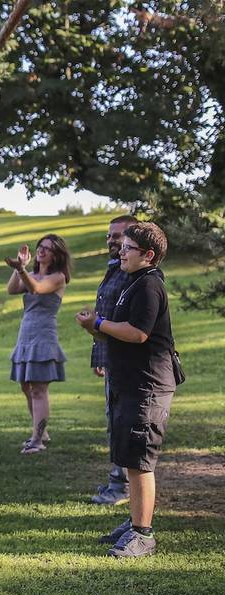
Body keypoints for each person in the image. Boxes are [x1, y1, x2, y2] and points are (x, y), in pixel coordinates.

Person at [76, 222, 178, 558]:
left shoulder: (149, 286)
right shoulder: (131, 283)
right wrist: (96, 328)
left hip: (147, 386)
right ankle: (135, 521)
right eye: (121, 245)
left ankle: (143, 535)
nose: (121, 250)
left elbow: (137, 333)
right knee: (130, 458)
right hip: (129, 383)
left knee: (140, 460)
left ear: (148, 255)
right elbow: (117, 332)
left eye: (128, 247)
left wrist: (100, 324)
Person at [5, 234, 71, 454]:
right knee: (26, 386)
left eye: (48, 249)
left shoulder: (59, 277)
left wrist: (22, 271)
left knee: (38, 390)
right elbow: (12, 289)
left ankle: (37, 440)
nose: (42, 251)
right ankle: (40, 432)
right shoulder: (30, 274)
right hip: (26, 334)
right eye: (40, 247)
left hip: (43, 335)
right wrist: (20, 267)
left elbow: (37, 289)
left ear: (57, 255)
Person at [89, 215, 138, 505]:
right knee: (113, 421)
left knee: (122, 423)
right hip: (112, 359)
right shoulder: (114, 269)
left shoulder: (134, 274)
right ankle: (118, 482)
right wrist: (100, 355)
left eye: (118, 236)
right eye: (110, 236)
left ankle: (122, 487)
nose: (112, 240)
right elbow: (105, 314)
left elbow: (122, 321)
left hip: (128, 363)